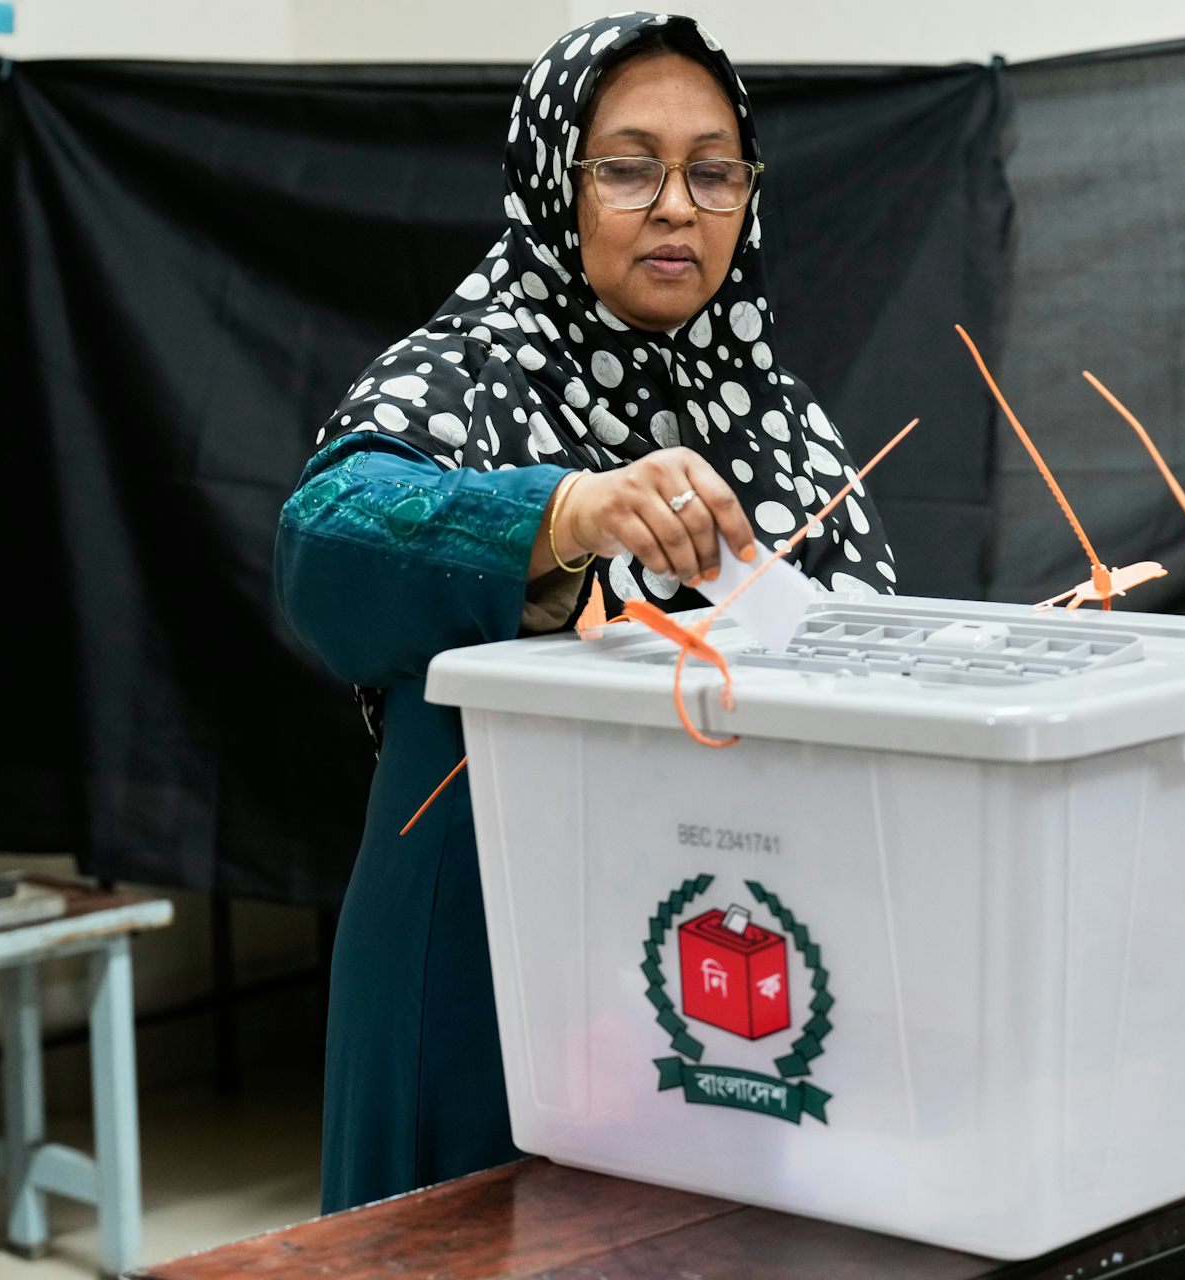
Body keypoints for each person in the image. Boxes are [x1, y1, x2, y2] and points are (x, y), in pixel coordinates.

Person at [276, 11, 898, 1214]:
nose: (678, 204)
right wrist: (562, 513)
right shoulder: (466, 371)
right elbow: (325, 540)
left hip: (732, 971)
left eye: (714, 169)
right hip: (490, 975)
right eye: (628, 165)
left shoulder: (780, 416)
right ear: (551, 181)